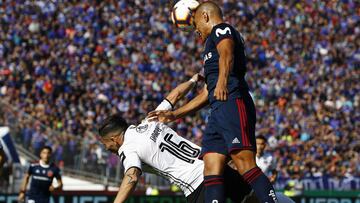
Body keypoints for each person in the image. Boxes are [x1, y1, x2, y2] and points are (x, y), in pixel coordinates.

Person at [148, 2, 278, 203]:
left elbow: (227, 53)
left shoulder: (221, 30)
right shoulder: (208, 47)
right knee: (211, 165)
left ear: (206, 17)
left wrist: (223, 81)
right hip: (218, 109)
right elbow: (206, 94)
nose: (196, 30)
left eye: (196, 23)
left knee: (245, 164)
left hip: (233, 101)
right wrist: (175, 114)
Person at [98, 74, 254, 203]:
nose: (106, 148)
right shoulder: (151, 119)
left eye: (105, 143)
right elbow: (175, 96)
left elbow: (131, 176)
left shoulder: (127, 148)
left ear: (114, 139)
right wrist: (193, 81)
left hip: (198, 184)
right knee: (252, 198)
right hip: (215, 166)